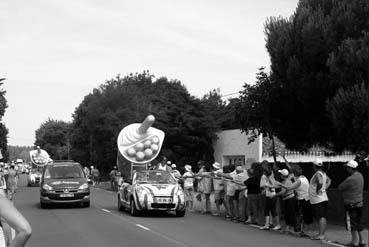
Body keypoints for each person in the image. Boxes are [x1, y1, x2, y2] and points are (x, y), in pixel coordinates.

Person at [278, 164, 313, 235]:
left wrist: (280, 184)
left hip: (304, 199)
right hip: (306, 198)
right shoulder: (303, 177)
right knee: (303, 215)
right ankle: (303, 231)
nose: (291, 175)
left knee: (304, 216)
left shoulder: (299, 181)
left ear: (294, 173)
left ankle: (304, 231)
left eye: (292, 173)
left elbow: (289, 188)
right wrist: (284, 159)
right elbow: (291, 168)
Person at [338, 160, 365, 247]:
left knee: (352, 224)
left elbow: (340, 187)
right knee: (359, 223)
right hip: (360, 203)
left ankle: (355, 242)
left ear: (351, 168)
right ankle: (362, 241)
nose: (346, 169)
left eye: (347, 167)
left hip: (351, 204)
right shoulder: (360, 175)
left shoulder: (350, 179)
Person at [309, 158, 331, 241]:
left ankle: (321, 235)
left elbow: (320, 182)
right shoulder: (323, 173)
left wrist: (319, 189)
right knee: (322, 216)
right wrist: (324, 189)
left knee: (321, 216)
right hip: (323, 198)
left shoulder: (318, 174)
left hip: (318, 199)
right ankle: (321, 233)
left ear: (314, 165)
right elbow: (329, 181)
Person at [274, 169, 299, 234]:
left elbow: (283, 192)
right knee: (287, 214)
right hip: (287, 199)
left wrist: (275, 195)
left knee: (291, 214)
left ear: (283, 175)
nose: (280, 175)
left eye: (281, 174)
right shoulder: (285, 181)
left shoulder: (287, 181)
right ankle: (288, 228)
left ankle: (295, 228)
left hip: (290, 199)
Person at [260, 165, 281, 230]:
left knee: (273, 210)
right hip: (267, 194)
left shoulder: (271, 177)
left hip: (272, 195)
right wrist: (267, 186)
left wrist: (267, 185)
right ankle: (267, 224)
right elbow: (261, 185)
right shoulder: (267, 177)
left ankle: (278, 225)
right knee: (266, 209)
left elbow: (276, 186)